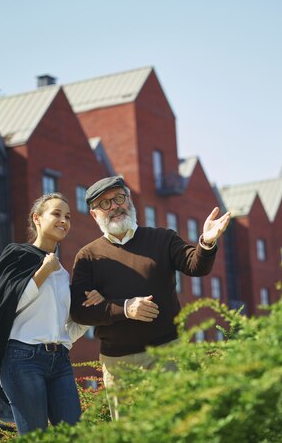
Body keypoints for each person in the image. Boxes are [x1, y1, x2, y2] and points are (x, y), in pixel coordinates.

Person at [70, 176, 230, 419]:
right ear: (94, 214)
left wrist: (206, 242)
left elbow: (196, 266)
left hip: (167, 353)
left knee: (175, 426)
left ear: (129, 199)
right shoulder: (88, 257)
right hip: (118, 363)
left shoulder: (162, 238)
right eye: (104, 204)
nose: (114, 206)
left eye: (118, 198)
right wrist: (124, 308)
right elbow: (81, 312)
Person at [0, 192, 104, 434]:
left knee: (74, 435)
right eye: (56, 214)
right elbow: (9, 306)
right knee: (36, 437)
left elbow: (67, 331)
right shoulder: (17, 255)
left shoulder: (62, 274)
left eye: (68, 216)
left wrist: (87, 312)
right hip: (23, 360)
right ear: (37, 219)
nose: (64, 220)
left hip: (61, 360)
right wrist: (43, 271)